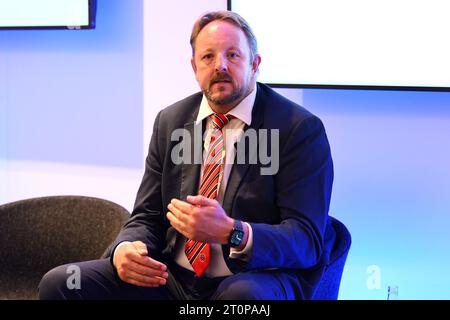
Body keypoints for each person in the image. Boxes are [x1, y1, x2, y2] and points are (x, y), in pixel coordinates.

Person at [38, 10, 335, 300]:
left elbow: (306, 240)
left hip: (252, 277)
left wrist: (233, 232)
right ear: (194, 67)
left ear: (255, 64)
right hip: (173, 278)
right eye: (208, 57)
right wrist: (126, 249)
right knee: (63, 283)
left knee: (243, 296)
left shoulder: (298, 130)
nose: (220, 66)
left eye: (233, 55)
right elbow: (148, 215)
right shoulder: (171, 121)